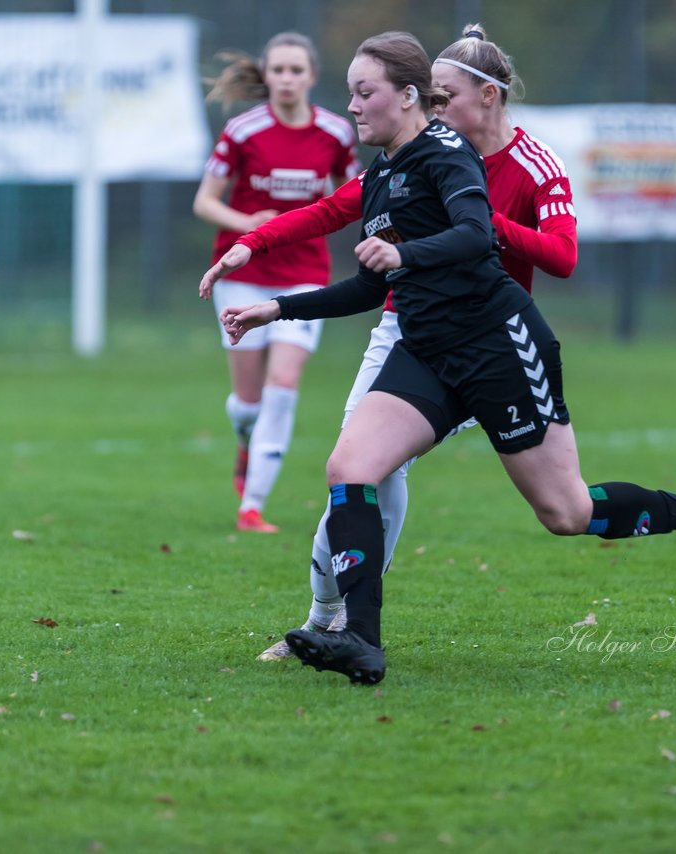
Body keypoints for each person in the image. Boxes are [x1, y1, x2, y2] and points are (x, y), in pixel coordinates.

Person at [219, 31, 676, 685]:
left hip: (498, 347)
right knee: (351, 466)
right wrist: (278, 305)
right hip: (426, 346)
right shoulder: (386, 170)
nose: (351, 107)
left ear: (407, 96)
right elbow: (363, 272)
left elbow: (479, 235)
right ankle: (356, 635)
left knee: (567, 513)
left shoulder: (450, 157)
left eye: (363, 93)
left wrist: (407, 253)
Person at [201, 24, 579, 661]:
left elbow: (555, 256)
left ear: (485, 97)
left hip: (490, 337)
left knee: (563, 510)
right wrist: (251, 247)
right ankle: (336, 622)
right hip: (408, 329)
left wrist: (478, 227)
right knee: (359, 469)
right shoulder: (400, 161)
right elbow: (333, 216)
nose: (438, 102)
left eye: (446, 92)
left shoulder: (471, 159)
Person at [193, 32, 360, 533]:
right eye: (278, 70)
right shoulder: (242, 131)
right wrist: (249, 225)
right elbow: (205, 202)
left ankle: (253, 506)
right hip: (242, 273)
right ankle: (245, 442)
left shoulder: (335, 132)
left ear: (311, 76)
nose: (286, 79)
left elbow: (352, 194)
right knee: (248, 402)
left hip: (305, 276)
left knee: (283, 384)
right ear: (265, 76)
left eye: (296, 70)